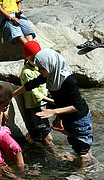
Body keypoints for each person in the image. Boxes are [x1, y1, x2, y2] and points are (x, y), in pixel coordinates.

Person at [13, 41, 93, 169]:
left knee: (82, 149)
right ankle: (93, 164)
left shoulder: (68, 80)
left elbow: (77, 105)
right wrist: (13, 94)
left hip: (79, 118)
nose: (39, 71)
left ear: (50, 64)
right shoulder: (50, 75)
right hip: (69, 117)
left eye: (41, 68)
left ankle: (83, 172)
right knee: (77, 144)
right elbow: (32, 84)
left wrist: (54, 112)